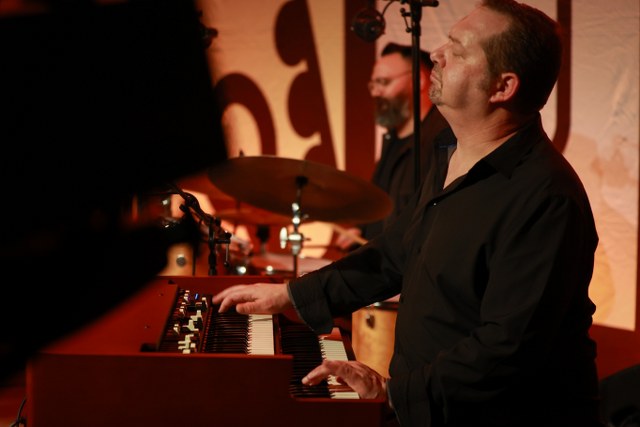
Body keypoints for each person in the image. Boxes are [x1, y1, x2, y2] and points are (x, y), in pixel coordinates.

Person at [213, 1, 604, 426]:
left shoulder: (547, 197)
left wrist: (393, 394)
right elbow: (399, 251)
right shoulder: (451, 153)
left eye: (458, 50)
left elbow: (507, 348)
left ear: (502, 86)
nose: (436, 53)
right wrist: (291, 295)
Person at [335, 42, 450, 251]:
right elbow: (381, 211)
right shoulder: (392, 141)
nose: (375, 93)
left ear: (418, 80)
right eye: (373, 85)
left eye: (383, 82)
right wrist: (361, 231)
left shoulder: (443, 140)